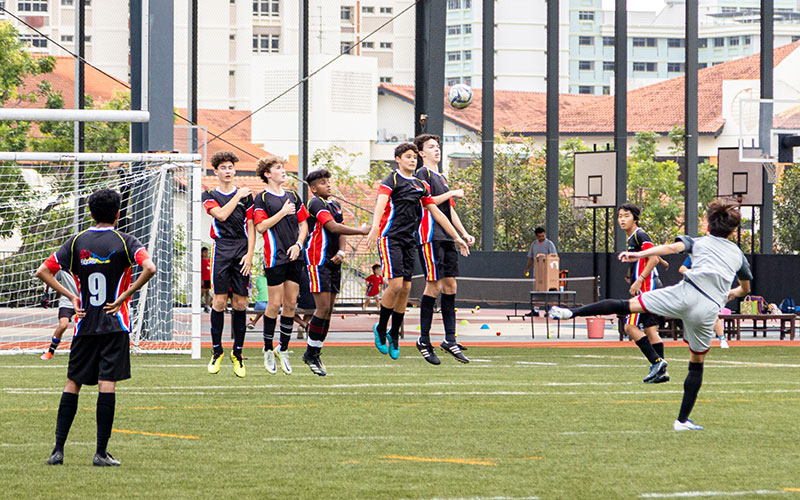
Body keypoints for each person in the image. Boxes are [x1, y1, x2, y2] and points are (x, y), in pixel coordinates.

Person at [550, 199, 752, 431]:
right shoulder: (738, 256)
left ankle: (570, 312)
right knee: (696, 364)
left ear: (708, 224)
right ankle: (682, 421)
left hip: (684, 294)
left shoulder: (697, 242)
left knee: (625, 305)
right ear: (733, 229)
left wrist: (636, 255)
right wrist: (729, 293)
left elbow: (668, 249)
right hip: (707, 309)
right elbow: (744, 290)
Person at [35, 188, 156, 466]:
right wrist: (125, 295)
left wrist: (71, 296)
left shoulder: (77, 241)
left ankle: (58, 450)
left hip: (84, 325)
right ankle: (100, 453)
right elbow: (149, 268)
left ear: (90, 213)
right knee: (107, 385)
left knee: (72, 383)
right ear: (118, 213)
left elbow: (43, 271)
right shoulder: (125, 241)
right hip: (115, 324)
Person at [365, 143, 470, 360]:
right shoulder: (392, 180)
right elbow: (380, 204)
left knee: (406, 287)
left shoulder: (420, 184)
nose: (412, 160)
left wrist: (457, 237)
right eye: (408, 157)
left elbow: (438, 213)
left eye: (414, 157)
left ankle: (394, 333)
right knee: (394, 285)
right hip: (390, 237)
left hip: (408, 240)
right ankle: (382, 328)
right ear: (398, 159)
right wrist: (375, 228)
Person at [413, 134, 475, 364]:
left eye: (438, 146)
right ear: (421, 153)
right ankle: (424, 339)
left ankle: (450, 339)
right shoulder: (423, 174)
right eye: (431, 147)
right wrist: (451, 193)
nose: (436, 150)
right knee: (434, 285)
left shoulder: (441, 177)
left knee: (451, 284)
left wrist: (462, 233)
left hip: (447, 237)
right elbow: (428, 203)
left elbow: (450, 209)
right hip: (431, 237)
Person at [302, 168, 370, 376]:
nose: (328, 185)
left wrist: (342, 251)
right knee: (321, 308)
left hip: (334, 261)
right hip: (318, 260)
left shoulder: (335, 204)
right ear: (313, 189)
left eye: (328, 181)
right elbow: (331, 227)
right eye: (323, 182)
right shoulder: (315, 204)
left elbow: (340, 229)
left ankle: (316, 351)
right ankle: (310, 353)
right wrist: (361, 231)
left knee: (329, 310)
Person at [253, 155, 309, 375]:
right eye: (278, 168)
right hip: (275, 257)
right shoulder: (263, 198)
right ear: (267, 174)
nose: (283, 171)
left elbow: (304, 224)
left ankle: (282, 349)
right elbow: (260, 226)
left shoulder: (294, 195)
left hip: (295, 255)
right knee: (274, 305)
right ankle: (267, 349)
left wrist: (298, 244)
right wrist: (282, 213)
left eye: (283, 168)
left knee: (291, 304)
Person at [202, 150, 255, 378]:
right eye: (223, 168)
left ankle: (238, 353)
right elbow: (221, 215)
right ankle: (216, 352)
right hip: (222, 249)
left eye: (230, 167)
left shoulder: (247, 196)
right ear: (216, 171)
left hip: (242, 248)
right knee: (219, 301)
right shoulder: (209, 195)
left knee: (241, 304)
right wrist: (237, 196)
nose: (227, 171)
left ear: (235, 169)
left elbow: (252, 226)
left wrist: (251, 254)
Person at [616, 204, 669, 382]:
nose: (622, 219)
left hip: (647, 287)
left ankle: (656, 362)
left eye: (626, 216)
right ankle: (661, 373)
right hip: (650, 286)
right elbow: (651, 254)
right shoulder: (633, 238)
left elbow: (651, 258)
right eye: (620, 216)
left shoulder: (639, 234)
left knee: (629, 327)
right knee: (650, 330)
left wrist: (639, 279)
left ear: (635, 219)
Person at [679, 256, 729, 349]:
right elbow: (682, 269)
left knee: (713, 315)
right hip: (692, 290)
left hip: (708, 290)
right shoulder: (693, 256)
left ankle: (722, 340)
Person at [40, 270, 79, 360]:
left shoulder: (85, 264)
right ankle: (50, 351)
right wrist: (46, 295)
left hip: (84, 300)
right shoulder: (62, 267)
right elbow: (50, 279)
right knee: (63, 325)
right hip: (67, 300)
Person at [201, 247, 211, 313]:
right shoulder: (201, 261)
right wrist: (201, 279)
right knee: (202, 293)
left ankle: (207, 306)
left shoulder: (209, 261)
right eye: (205, 252)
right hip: (203, 279)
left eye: (207, 252)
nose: (206, 253)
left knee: (208, 293)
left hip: (208, 279)